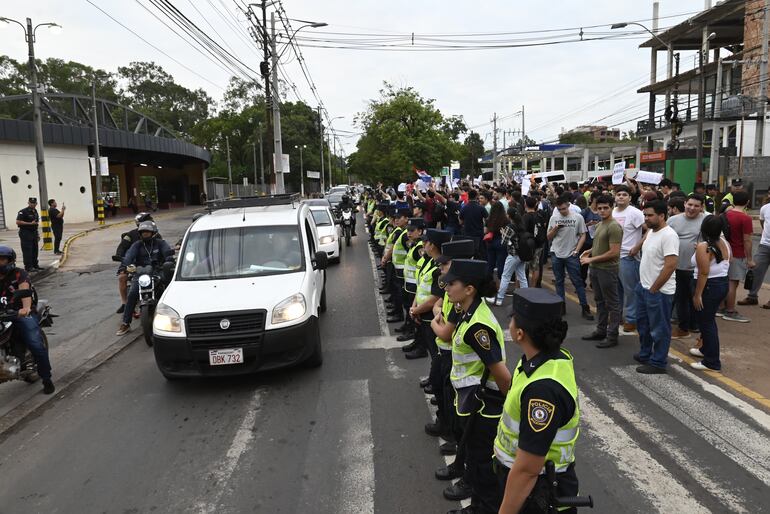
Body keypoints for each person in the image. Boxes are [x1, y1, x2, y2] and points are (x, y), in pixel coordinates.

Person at [495, 288, 580, 514]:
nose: (510, 323)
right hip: (532, 488)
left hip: (537, 494)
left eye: (513, 319)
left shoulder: (542, 391)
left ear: (520, 333)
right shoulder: (549, 359)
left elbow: (527, 470)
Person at [442, 259, 511, 514]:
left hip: (485, 405)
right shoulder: (468, 311)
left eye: (452, 283)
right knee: (475, 456)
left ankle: (483, 509)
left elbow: (501, 374)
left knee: (483, 463)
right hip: (472, 400)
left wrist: (510, 407)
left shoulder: (477, 326)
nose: (447, 287)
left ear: (469, 289)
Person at [0, 246, 55, 394]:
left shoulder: (19, 274)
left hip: (20, 313)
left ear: (10, 261)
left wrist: (24, 309)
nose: (0, 262)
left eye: (2, 259)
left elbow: (25, 292)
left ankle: (46, 378)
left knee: (35, 343)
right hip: (2, 314)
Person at [634, 200, 679, 374]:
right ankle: (646, 354)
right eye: (645, 215)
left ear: (662, 215)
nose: (646, 218)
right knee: (643, 325)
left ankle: (658, 362)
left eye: (650, 215)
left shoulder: (669, 235)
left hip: (659, 292)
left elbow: (670, 265)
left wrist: (654, 289)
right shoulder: (652, 231)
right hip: (643, 288)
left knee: (659, 328)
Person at [116, 221, 174, 336]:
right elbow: (129, 256)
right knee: (132, 293)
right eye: (143, 232)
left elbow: (168, 253)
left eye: (147, 232)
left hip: (157, 271)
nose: (145, 234)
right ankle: (126, 323)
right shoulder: (136, 245)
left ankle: (173, 315)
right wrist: (124, 266)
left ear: (153, 232)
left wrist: (169, 259)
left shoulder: (160, 243)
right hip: (141, 274)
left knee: (168, 288)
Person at [580, 194, 623, 348]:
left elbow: (614, 252)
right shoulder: (600, 224)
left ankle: (612, 336)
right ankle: (601, 330)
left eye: (606, 208)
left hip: (608, 269)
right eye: (600, 208)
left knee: (612, 303)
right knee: (599, 301)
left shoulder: (613, 226)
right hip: (596, 269)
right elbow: (600, 244)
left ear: (612, 208)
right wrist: (590, 252)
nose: (602, 211)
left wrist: (590, 259)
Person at [690, 215, 730, 371]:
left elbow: (704, 272)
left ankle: (712, 361)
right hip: (721, 284)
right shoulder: (724, 242)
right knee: (708, 320)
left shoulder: (704, 246)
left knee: (706, 323)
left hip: (708, 286)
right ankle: (705, 350)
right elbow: (726, 261)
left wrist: (698, 294)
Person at [547, 194, 593, 320]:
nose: (562, 211)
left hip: (571, 254)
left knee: (577, 281)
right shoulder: (554, 218)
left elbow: (583, 234)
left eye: (564, 208)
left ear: (568, 205)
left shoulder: (578, 217)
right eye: (559, 209)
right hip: (556, 253)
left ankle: (585, 307)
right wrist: (555, 228)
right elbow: (549, 237)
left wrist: (577, 251)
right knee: (559, 281)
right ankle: (561, 306)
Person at [667, 194, 705, 338]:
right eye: (690, 204)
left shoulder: (706, 220)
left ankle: (696, 326)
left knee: (696, 298)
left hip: (697, 269)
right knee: (681, 299)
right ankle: (683, 328)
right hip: (676, 268)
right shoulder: (673, 220)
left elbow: (718, 241)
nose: (692, 208)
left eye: (696, 206)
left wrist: (703, 247)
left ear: (701, 207)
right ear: (684, 204)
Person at [612, 185, 646, 333]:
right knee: (616, 290)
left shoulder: (635, 213)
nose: (621, 197)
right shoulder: (612, 212)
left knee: (630, 291)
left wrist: (638, 245)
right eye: (618, 194)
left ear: (630, 198)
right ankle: (617, 316)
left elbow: (649, 228)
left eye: (624, 194)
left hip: (628, 257)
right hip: (612, 256)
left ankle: (632, 319)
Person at [721, 191, 755, 322]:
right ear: (747, 202)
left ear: (733, 201)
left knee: (724, 280)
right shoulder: (746, 218)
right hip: (737, 253)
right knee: (732, 282)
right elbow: (747, 240)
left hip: (724, 252)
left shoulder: (725, 214)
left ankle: (721, 306)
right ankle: (730, 310)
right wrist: (750, 258)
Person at [113, 213, 156, 314]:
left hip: (150, 261)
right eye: (147, 221)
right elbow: (122, 247)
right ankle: (124, 303)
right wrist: (120, 257)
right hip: (132, 262)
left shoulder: (155, 234)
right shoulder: (130, 235)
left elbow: (162, 246)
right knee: (122, 277)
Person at [739, 192, 770, 309]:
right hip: (764, 245)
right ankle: (752, 296)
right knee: (756, 270)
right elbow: (763, 223)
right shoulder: (765, 208)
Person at [495, 209, 530, 306]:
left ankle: (499, 299)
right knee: (522, 277)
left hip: (513, 254)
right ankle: (526, 298)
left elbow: (503, 242)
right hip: (522, 254)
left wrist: (503, 233)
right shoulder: (522, 225)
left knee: (505, 276)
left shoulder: (510, 226)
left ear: (509, 216)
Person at [484, 202, 509, 299]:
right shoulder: (505, 220)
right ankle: (501, 288)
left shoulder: (489, 219)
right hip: (501, 243)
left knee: (490, 264)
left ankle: (488, 285)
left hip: (490, 242)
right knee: (501, 265)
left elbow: (485, 231)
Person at [459, 189, 489, 259]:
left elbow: (460, 222)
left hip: (467, 233)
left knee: (468, 252)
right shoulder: (481, 208)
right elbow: (487, 219)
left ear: (468, 196)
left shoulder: (464, 208)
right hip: (479, 234)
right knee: (480, 253)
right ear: (476, 196)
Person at [16, 197, 41, 272]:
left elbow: (36, 223)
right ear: (28, 203)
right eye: (31, 203)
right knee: (27, 250)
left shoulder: (35, 211)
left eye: (34, 203)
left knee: (35, 249)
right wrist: (30, 223)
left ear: (36, 204)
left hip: (33, 232)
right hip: (25, 232)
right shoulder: (23, 211)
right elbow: (18, 222)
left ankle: (35, 265)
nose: (32, 204)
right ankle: (28, 266)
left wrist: (37, 234)